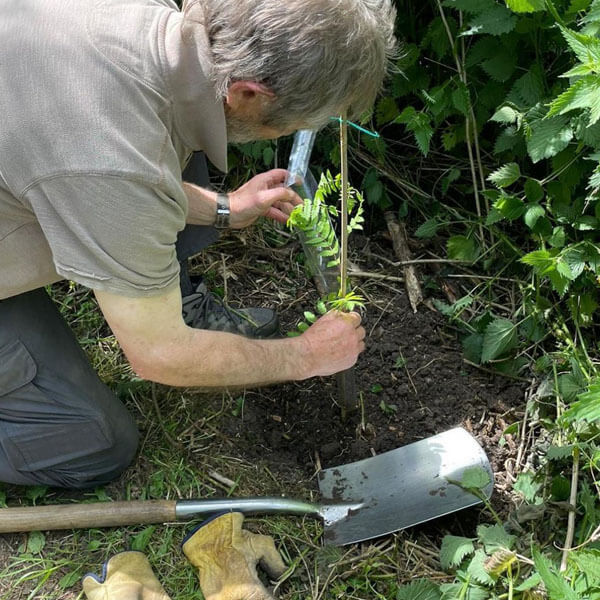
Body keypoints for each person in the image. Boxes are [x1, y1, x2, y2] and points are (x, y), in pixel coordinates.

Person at [0, 0, 397, 489]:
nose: (289, 135)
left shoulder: (152, 25)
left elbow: (130, 177)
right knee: (92, 442)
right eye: (291, 125)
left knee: (187, 141)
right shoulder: (112, 160)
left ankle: (174, 308)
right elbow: (157, 354)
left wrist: (224, 207)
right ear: (249, 93)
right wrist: (306, 356)